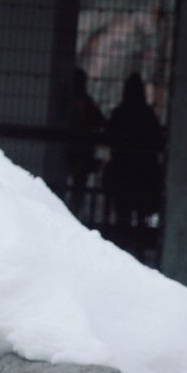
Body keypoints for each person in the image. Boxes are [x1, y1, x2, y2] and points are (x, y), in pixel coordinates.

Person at [102, 73, 165, 253]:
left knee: (123, 217)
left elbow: (109, 138)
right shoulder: (148, 116)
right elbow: (158, 142)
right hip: (144, 176)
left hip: (122, 174)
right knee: (141, 218)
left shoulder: (119, 114)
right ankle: (138, 251)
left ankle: (120, 250)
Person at [66, 67, 106, 215]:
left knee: (73, 186)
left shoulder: (68, 102)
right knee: (78, 188)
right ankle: (74, 212)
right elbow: (101, 122)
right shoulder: (85, 102)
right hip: (82, 151)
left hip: (73, 150)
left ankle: (72, 212)